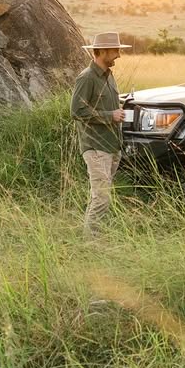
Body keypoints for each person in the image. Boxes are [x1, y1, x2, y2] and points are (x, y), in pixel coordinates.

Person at [70, 30, 130, 237]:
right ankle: (91, 243)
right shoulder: (86, 78)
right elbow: (77, 111)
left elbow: (105, 105)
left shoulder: (109, 76)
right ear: (102, 51)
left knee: (100, 196)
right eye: (115, 51)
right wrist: (109, 115)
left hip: (112, 145)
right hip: (96, 147)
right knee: (101, 197)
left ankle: (93, 236)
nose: (119, 55)